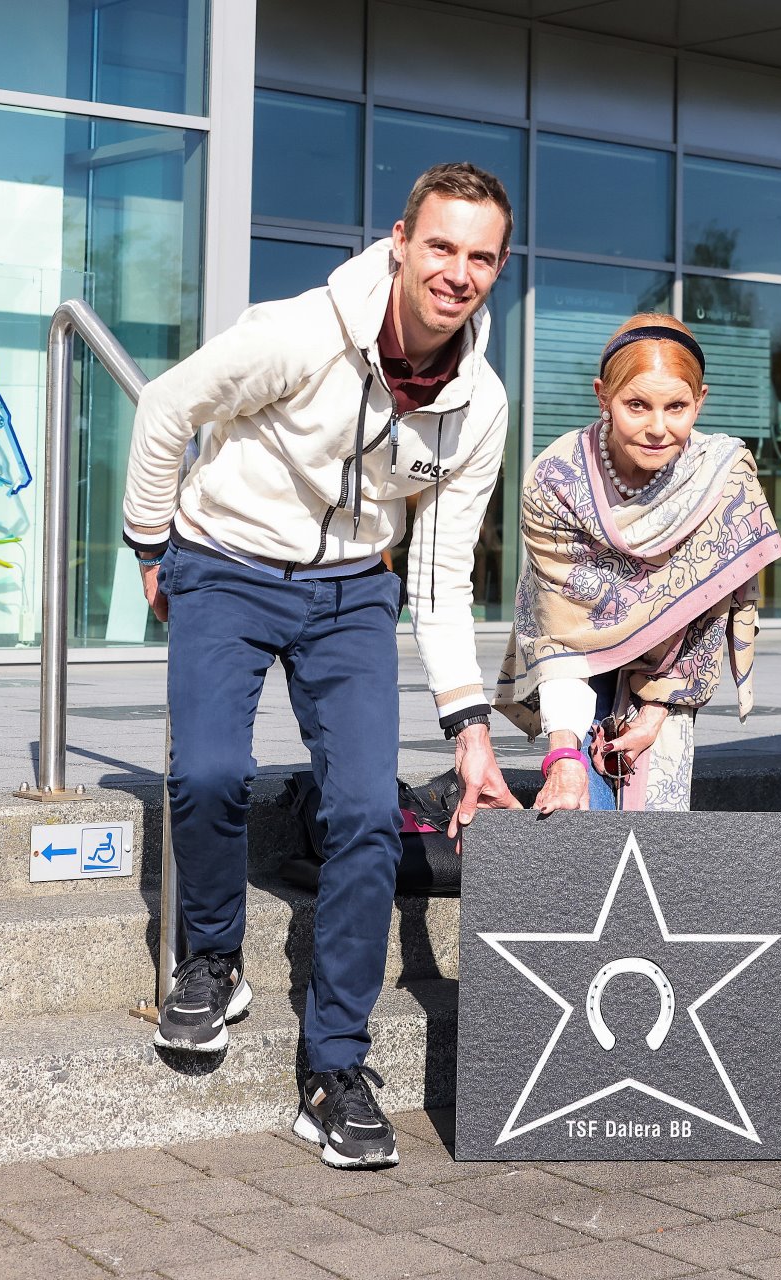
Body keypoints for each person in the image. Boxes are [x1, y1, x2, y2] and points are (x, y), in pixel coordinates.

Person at [122, 162, 521, 1170]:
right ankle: (212, 954)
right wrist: (149, 544)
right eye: (442, 246)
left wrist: (469, 727)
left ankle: (334, 1065)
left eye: (482, 256)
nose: (458, 272)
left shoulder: (480, 405)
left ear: (499, 269)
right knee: (211, 770)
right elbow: (166, 407)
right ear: (401, 240)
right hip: (224, 563)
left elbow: (437, 578)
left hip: (352, 591)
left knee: (366, 815)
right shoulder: (300, 331)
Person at [495, 314, 781, 812]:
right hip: (573, 659)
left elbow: (707, 610)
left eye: (677, 407)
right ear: (602, 396)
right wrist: (563, 754)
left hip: (672, 661)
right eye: (636, 405)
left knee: (647, 829)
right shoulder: (555, 481)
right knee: (578, 813)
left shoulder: (723, 480)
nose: (657, 428)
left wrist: (657, 709)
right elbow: (559, 632)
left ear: (701, 401)